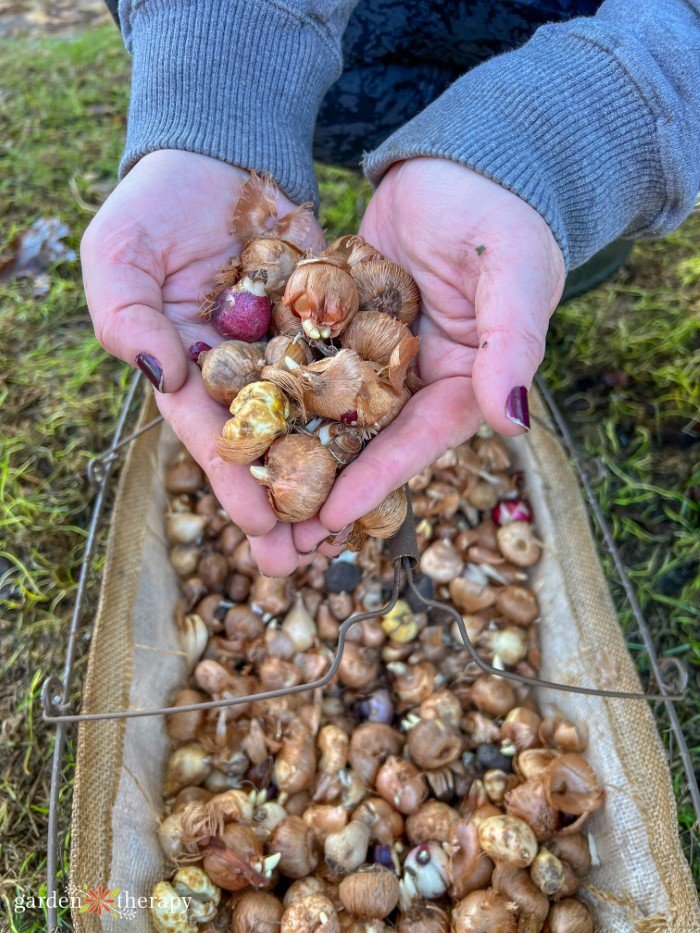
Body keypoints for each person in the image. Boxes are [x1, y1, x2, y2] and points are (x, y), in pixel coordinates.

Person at [81, 0, 700, 576]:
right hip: (348, 62)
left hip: (601, 49)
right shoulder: (308, 340)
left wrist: (558, 153)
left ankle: (554, 264)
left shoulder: (338, 344)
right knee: (503, 274)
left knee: (531, 264)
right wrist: (218, 96)